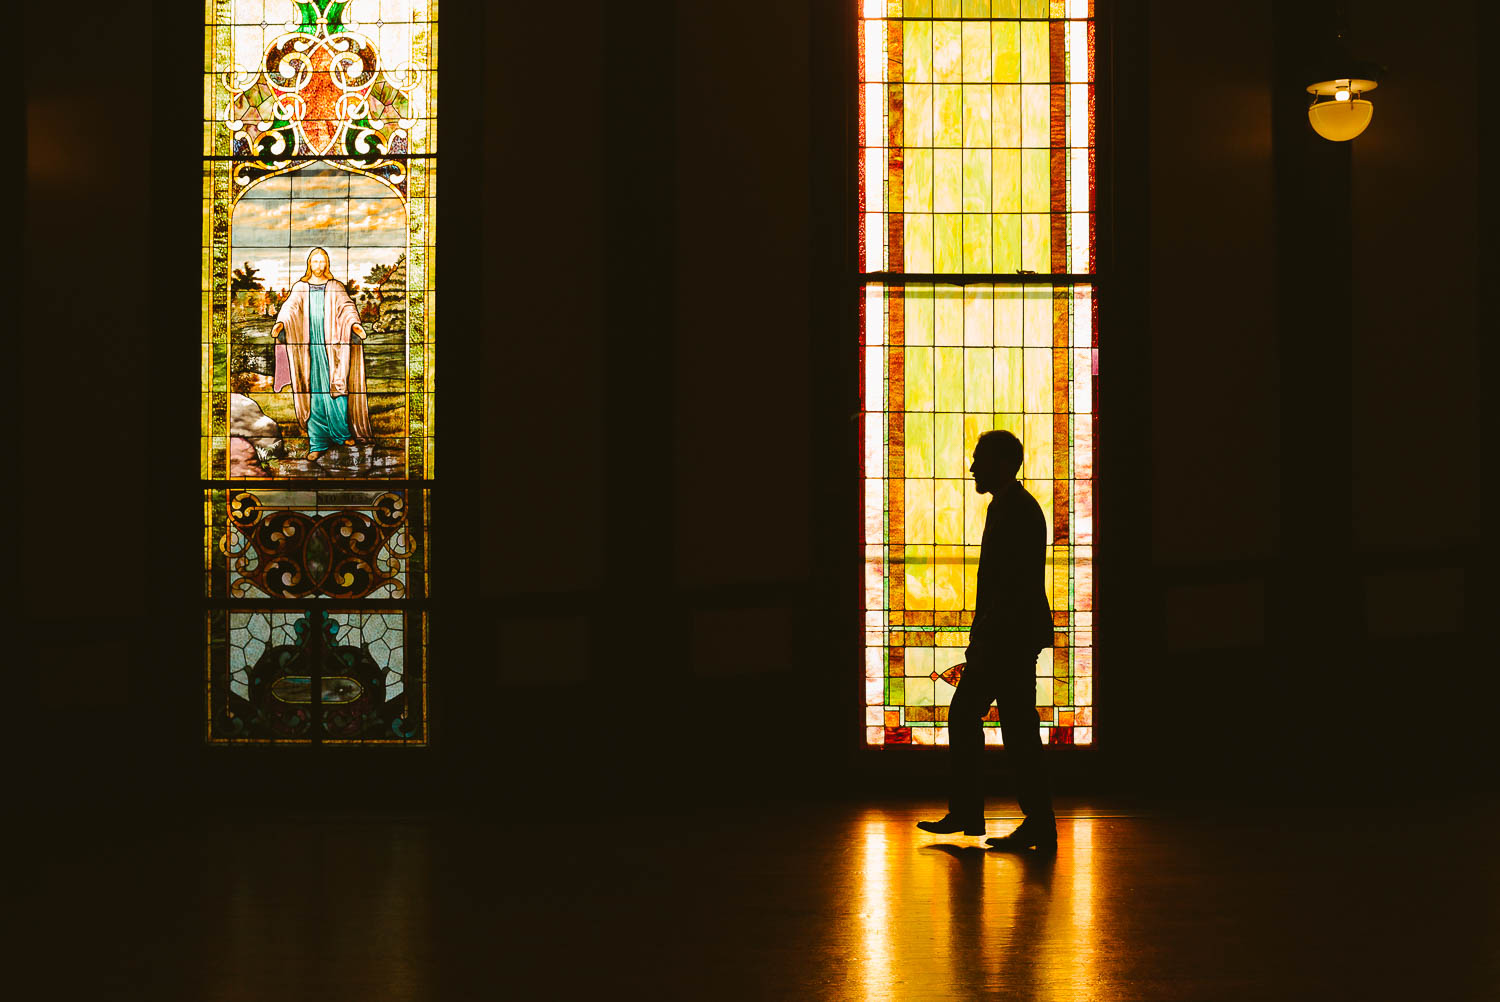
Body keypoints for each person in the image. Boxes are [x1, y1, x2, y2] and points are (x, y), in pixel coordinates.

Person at [917, 430, 1057, 852]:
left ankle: (974, 813)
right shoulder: (1014, 507)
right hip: (1012, 638)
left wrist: (983, 642)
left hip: (1005, 640)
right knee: (1016, 729)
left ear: (1001, 463)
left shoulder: (1012, 511)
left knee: (970, 718)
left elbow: (1005, 588)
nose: (972, 467)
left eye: (979, 459)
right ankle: (1029, 821)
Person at [271, 247, 371, 461]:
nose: (319, 265)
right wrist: (280, 323)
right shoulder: (300, 287)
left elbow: (347, 308)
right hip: (309, 348)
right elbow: (290, 308)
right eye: (315, 261)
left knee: (337, 387)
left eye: (322, 261)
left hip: (333, 347)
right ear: (310, 264)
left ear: (327, 264)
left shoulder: (336, 286)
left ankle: (342, 434)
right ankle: (317, 442)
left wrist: (354, 325)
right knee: (313, 393)